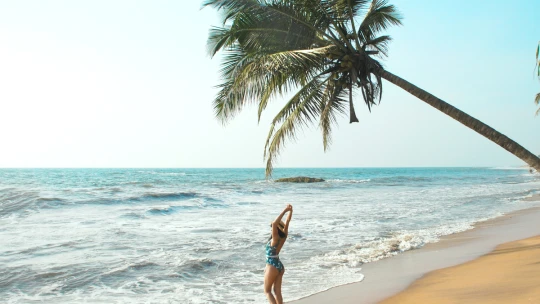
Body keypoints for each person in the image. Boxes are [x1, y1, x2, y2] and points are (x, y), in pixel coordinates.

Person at [264, 204, 293, 304]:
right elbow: (288, 221)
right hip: (279, 265)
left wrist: (285, 210)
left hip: (272, 265)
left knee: (267, 291)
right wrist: (290, 212)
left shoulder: (275, 239)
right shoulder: (283, 237)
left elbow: (274, 223)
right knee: (277, 292)